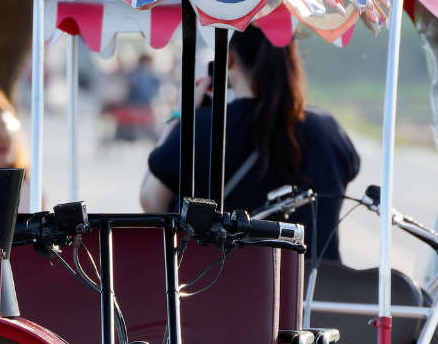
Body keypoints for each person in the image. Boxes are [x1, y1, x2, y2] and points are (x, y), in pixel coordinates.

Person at [138, 28, 358, 263]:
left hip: (223, 291)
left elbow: (151, 201)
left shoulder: (200, 127)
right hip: (315, 291)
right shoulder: (327, 130)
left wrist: (180, 115)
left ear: (229, 57)